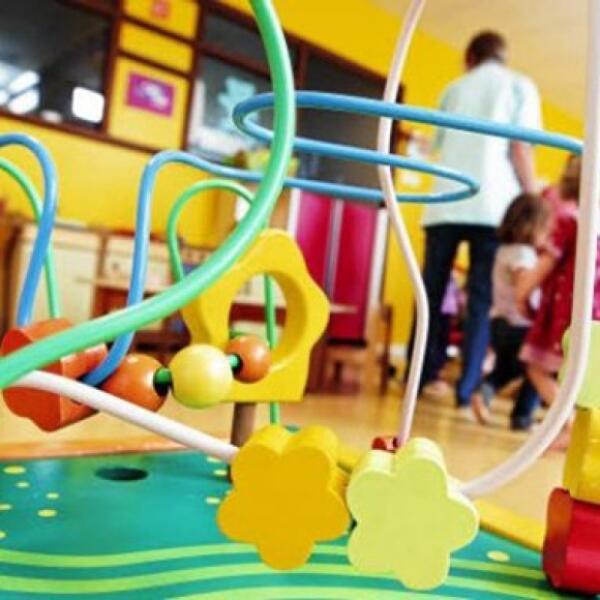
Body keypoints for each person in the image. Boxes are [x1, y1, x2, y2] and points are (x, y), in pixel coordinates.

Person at [412, 31, 542, 412]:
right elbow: (521, 147)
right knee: (481, 300)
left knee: (430, 293)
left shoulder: (453, 89)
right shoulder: (519, 85)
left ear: (469, 57)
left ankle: (419, 378)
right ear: (502, 56)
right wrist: (534, 198)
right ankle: (466, 390)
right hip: (492, 206)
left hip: (444, 203)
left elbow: (437, 145)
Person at [511, 155, 598, 431]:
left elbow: (544, 264)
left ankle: (571, 425)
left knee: (537, 368)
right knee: (585, 376)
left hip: (567, 314)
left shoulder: (570, 221)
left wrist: (521, 293)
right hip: (594, 314)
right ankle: (578, 428)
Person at [470, 193, 551, 425]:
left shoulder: (504, 250)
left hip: (499, 322)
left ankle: (484, 392)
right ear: (533, 226)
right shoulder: (522, 254)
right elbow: (522, 284)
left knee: (506, 369)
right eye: (545, 228)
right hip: (520, 324)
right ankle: (522, 416)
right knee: (537, 368)